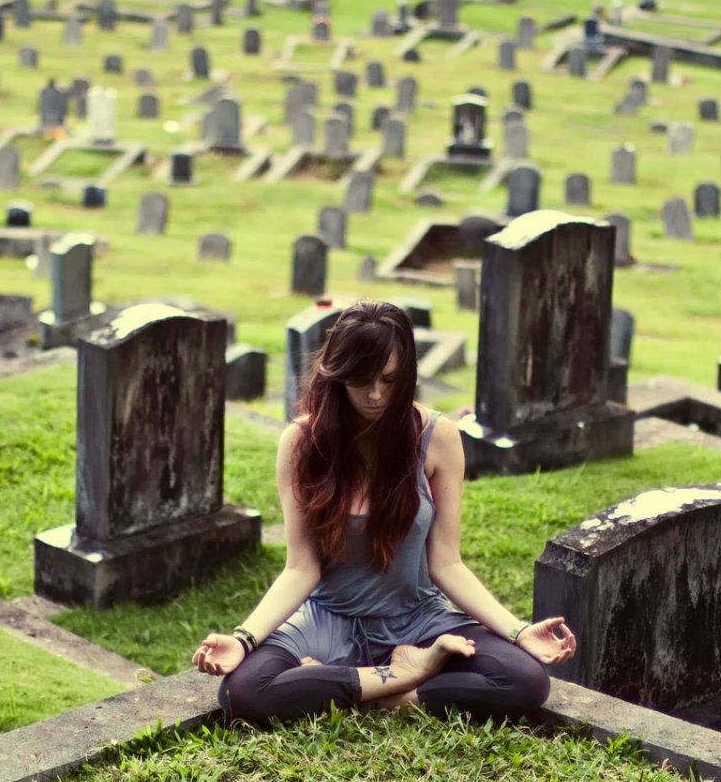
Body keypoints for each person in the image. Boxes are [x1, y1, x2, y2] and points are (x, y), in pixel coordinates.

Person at [195, 301, 573, 723]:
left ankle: (363, 689)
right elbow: (301, 569)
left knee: (524, 680)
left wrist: (519, 631)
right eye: (360, 381)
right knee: (245, 693)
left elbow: (447, 563)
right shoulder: (302, 443)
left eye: (389, 380)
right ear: (337, 377)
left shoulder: (437, 437)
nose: (375, 395)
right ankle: (399, 677)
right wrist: (243, 640)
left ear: (407, 373)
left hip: (416, 618)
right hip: (327, 621)